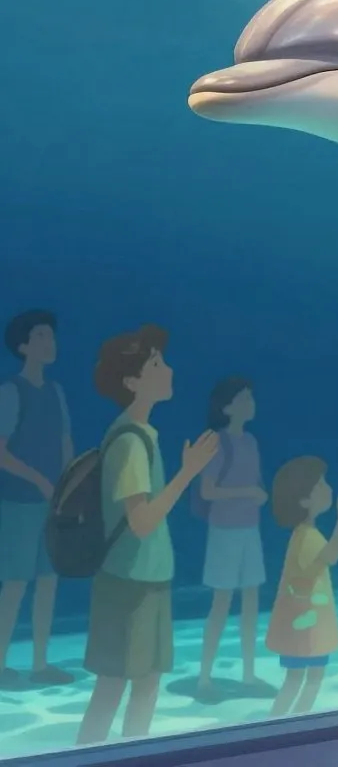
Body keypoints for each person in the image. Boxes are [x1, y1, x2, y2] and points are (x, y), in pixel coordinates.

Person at [77, 325, 219, 745]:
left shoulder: (145, 435)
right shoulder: (130, 443)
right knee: (115, 686)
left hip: (147, 578)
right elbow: (141, 521)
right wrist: (188, 472)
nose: (169, 370)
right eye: (157, 364)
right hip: (129, 582)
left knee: (145, 683)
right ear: (132, 382)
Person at [0, 309, 74, 687]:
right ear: (23, 345)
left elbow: (64, 442)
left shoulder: (55, 392)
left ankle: (40, 663)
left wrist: (67, 485)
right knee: (14, 583)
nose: (50, 342)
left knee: (48, 579)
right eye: (41, 335)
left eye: (51, 334)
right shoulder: (11, 391)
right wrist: (40, 481)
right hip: (19, 504)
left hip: (52, 502)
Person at [196, 377, 272, 703]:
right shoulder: (217, 442)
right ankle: (204, 676)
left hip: (249, 529)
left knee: (251, 602)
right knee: (222, 602)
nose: (250, 403)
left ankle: (248, 672)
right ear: (226, 407)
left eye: (250, 397)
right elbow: (207, 490)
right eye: (243, 398)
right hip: (225, 532)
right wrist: (248, 493)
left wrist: (259, 495)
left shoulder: (251, 441)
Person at [266, 456, 338, 718]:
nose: (328, 488)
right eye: (320, 485)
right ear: (304, 500)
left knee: (301, 679)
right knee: (302, 680)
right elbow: (332, 556)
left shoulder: (303, 534)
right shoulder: (307, 536)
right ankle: (283, 725)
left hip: (304, 623)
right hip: (305, 626)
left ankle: (286, 724)